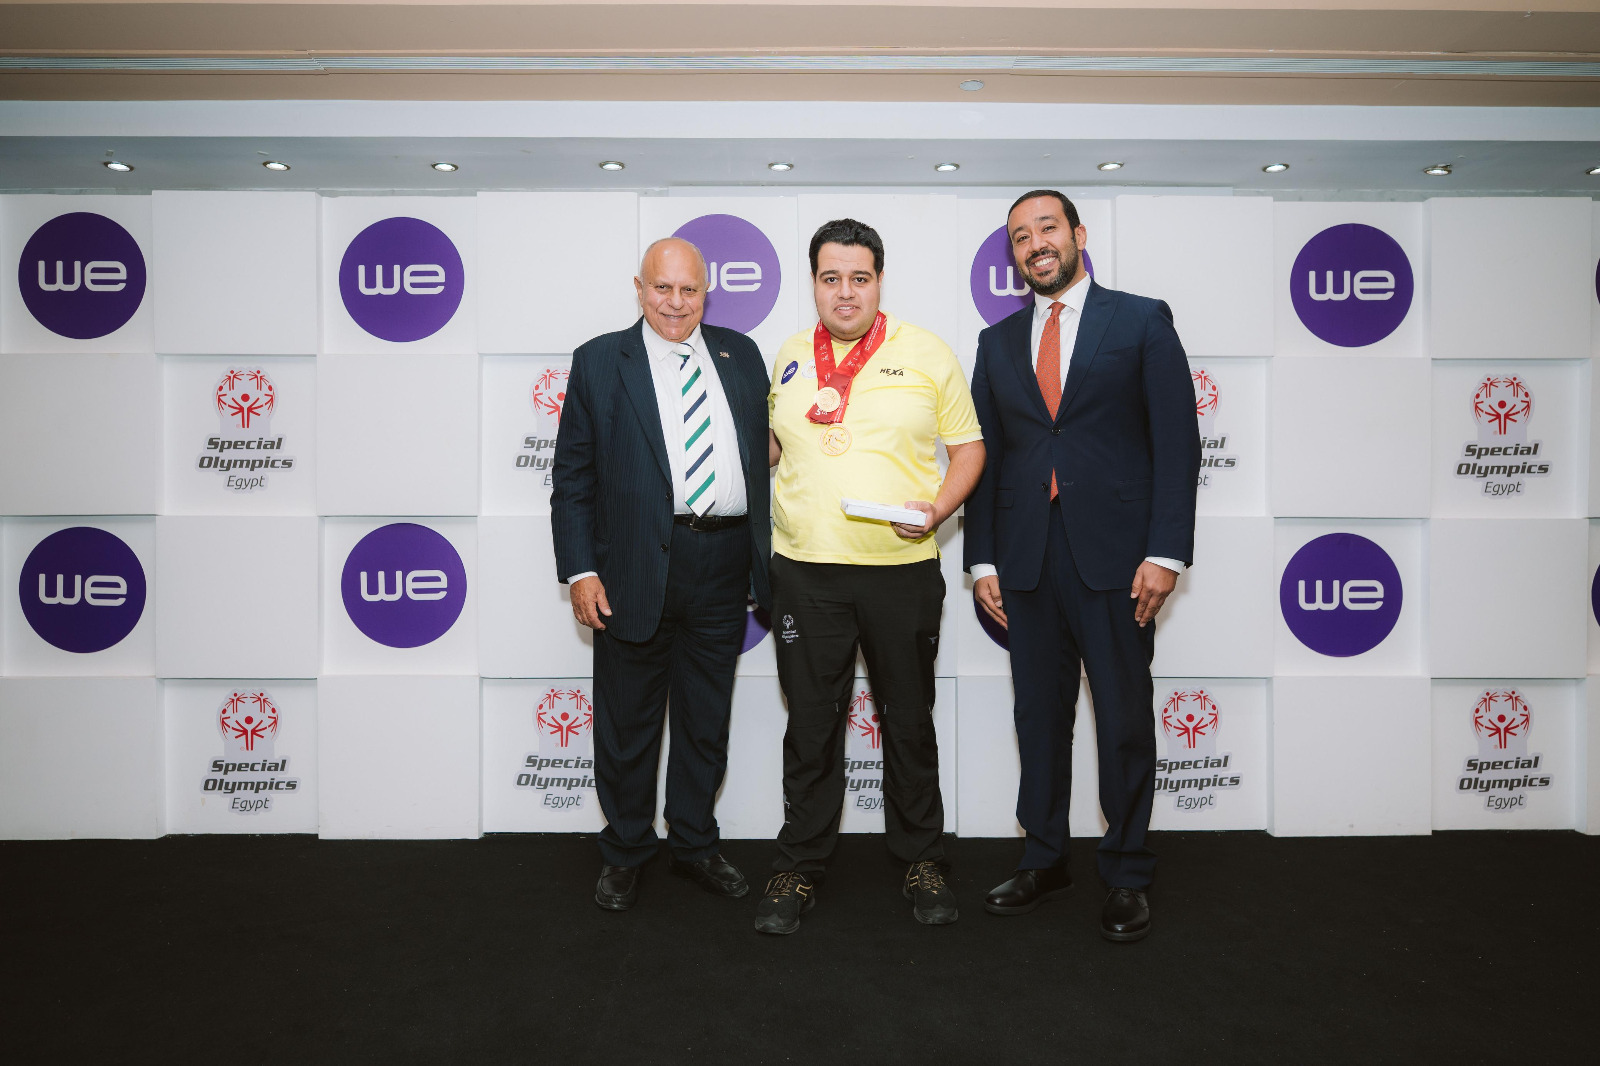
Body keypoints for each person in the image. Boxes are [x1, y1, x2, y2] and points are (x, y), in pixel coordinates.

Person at [964, 190, 1200, 942]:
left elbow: (1178, 443)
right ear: (1012, 255)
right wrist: (981, 559)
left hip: (1119, 560)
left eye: (1048, 228)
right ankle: (1044, 858)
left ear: (1077, 235)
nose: (1036, 243)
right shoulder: (996, 342)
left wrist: (1165, 552)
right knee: (1038, 717)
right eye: (1020, 236)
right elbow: (988, 458)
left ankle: (1127, 870)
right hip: (1026, 559)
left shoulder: (1141, 320)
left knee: (1124, 717)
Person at [754, 218, 985, 935]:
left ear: (880, 280)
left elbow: (969, 450)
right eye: (831, 278)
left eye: (859, 277)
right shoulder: (791, 356)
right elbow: (772, 449)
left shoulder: (928, 352)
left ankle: (923, 861)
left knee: (908, 722)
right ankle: (798, 865)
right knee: (810, 727)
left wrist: (938, 509)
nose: (845, 292)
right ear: (814, 283)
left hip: (900, 572)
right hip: (805, 573)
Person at [551, 237, 772, 912]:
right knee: (628, 721)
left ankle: (696, 844)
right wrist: (581, 570)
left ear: (707, 292)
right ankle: (624, 850)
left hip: (724, 563)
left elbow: (765, 452)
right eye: (663, 288)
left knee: (705, 718)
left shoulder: (741, 355)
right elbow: (573, 477)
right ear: (640, 287)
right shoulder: (599, 361)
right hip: (632, 566)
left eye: (690, 290)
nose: (676, 303)